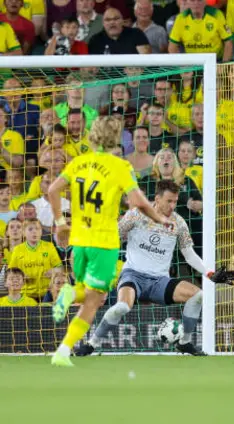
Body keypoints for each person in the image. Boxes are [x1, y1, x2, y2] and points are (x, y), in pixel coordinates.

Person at [47, 116, 171, 367]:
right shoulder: (120, 167)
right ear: (116, 137)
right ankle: (69, 298)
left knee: (92, 297)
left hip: (79, 241)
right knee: (95, 300)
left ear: (93, 135)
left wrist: (60, 223)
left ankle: (62, 351)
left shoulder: (78, 162)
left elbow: (52, 190)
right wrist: (160, 218)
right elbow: (138, 202)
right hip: (103, 243)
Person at [75, 180, 234, 357]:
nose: (173, 205)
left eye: (175, 201)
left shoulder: (179, 223)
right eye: (169, 201)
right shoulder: (136, 215)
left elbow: (189, 255)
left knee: (198, 295)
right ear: (157, 199)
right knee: (122, 306)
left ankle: (185, 342)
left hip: (160, 281)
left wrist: (209, 273)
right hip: (133, 276)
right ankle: (92, 344)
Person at [168, 0, 232, 61]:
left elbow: (229, 42)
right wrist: (182, 68)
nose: (196, 3)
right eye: (192, 0)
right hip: (192, 63)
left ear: (205, 1)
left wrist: (224, 64)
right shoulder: (181, 18)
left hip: (215, 61)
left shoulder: (217, 14)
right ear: (188, 2)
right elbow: (172, 47)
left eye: (199, 0)